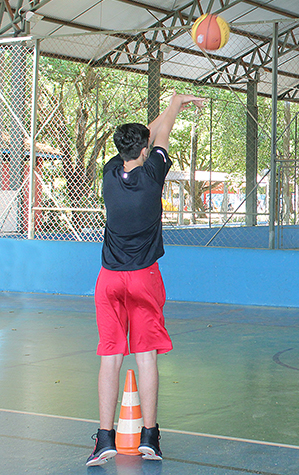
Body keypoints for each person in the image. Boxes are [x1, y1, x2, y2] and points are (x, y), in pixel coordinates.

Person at [86, 92, 205, 467]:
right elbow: (162, 132)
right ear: (143, 152)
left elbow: (145, 137)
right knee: (146, 356)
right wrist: (175, 103)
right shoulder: (153, 175)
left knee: (110, 357)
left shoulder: (108, 173)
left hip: (109, 279)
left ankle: (104, 439)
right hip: (143, 278)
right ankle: (149, 437)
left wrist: (162, 115)